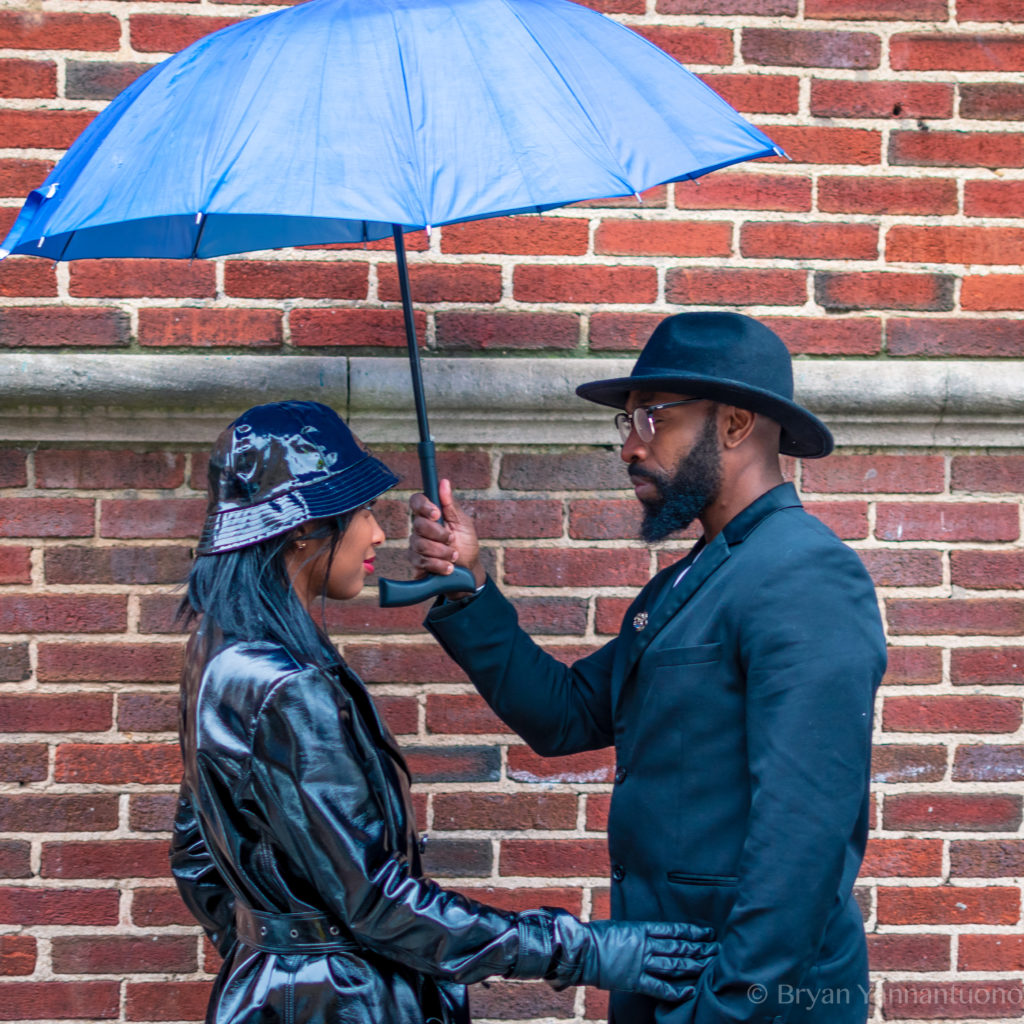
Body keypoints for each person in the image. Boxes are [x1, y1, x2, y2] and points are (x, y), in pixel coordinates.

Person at [170, 400, 717, 1024]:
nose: (378, 533)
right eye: (363, 510)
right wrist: (583, 951)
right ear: (302, 526)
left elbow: (196, 860)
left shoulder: (218, 653)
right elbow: (376, 900)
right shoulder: (287, 685)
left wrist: (275, 959)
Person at [409, 313, 887, 1024]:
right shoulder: (686, 584)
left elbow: (805, 838)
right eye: (626, 423)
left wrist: (725, 1008)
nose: (629, 445)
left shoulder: (805, 572)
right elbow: (565, 715)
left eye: (651, 418)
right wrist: (468, 589)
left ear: (733, 423)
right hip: (666, 984)